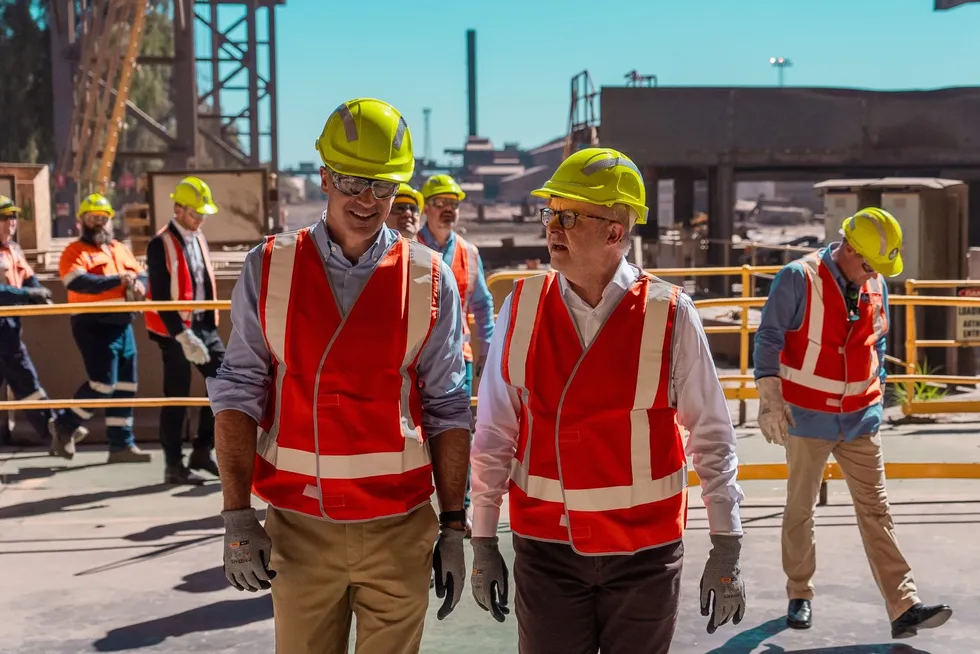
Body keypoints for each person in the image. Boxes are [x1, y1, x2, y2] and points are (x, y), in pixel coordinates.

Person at [206, 97, 473, 654]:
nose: (367, 200)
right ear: (324, 176)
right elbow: (238, 394)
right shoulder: (270, 266)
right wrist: (236, 517)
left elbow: (449, 407)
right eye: (352, 181)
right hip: (300, 528)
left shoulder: (430, 278)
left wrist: (453, 526)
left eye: (383, 187)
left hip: (400, 528)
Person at [469, 147, 747, 654]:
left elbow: (711, 434)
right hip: (547, 548)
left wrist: (726, 543)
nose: (552, 227)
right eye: (549, 213)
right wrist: (484, 537)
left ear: (615, 232)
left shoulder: (670, 313)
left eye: (568, 216)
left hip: (645, 554)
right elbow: (494, 432)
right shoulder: (522, 308)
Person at [753, 207, 952, 639]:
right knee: (800, 510)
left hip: (860, 417)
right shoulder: (798, 278)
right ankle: (800, 593)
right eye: (868, 265)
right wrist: (770, 400)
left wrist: (877, 398)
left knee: (877, 511)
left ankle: (904, 606)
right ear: (846, 249)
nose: (872, 275)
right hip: (806, 415)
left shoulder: (877, 282)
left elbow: (878, 343)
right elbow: (768, 336)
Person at [418, 173, 495, 533]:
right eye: (441, 203)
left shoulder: (468, 252)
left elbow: (482, 303)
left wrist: (488, 349)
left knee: (456, 431)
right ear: (425, 208)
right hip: (413, 356)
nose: (448, 210)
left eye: (453, 204)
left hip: (457, 357)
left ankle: (457, 507)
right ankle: (417, 508)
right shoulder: (408, 246)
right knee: (416, 434)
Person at [49, 193, 151, 463]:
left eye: (103, 219)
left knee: (126, 386)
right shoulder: (74, 251)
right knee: (103, 384)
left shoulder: (119, 248)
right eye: (93, 218)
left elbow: (141, 272)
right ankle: (64, 425)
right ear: (81, 220)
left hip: (123, 324)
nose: (99, 224)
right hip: (93, 324)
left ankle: (121, 446)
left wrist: (140, 282)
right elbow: (76, 282)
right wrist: (120, 280)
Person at [145, 176, 224, 485]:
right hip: (174, 331)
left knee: (224, 381)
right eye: (195, 213)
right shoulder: (159, 244)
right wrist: (182, 334)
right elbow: (161, 296)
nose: (200, 219)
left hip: (204, 324)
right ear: (178, 209)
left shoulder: (198, 236)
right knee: (175, 396)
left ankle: (203, 450)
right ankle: (173, 464)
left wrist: (200, 329)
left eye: (203, 214)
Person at [0, 196, 61, 452]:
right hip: (4, 328)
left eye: (13, 216)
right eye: (5, 217)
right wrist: (28, 296)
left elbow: (28, 278)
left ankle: (54, 432)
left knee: (25, 381)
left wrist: (39, 291)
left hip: (10, 328)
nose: (11, 222)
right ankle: (54, 430)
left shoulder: (14, 249)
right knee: (25, 379)